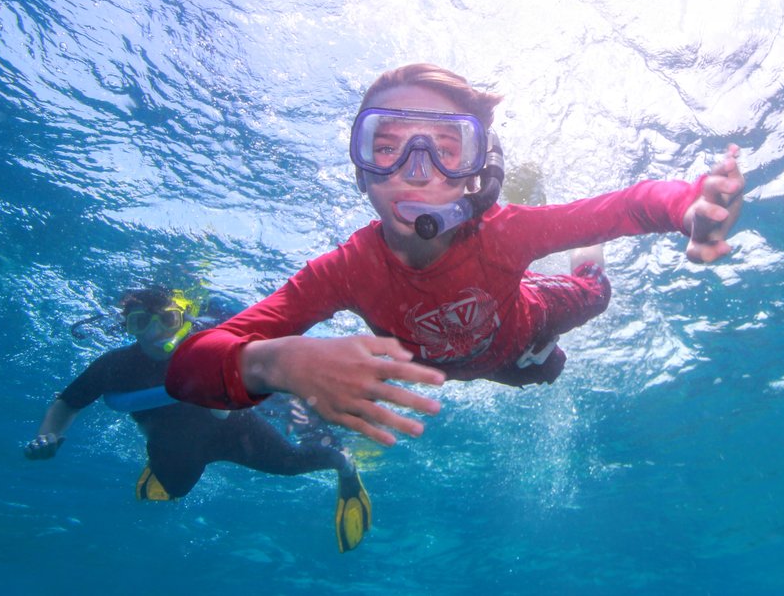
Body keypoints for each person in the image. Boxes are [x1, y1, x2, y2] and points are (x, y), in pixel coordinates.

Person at [165, 63, 745, 447]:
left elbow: (632, 205)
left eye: (446, 149)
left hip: (529, 325)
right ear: (361, 169)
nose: (417, 171)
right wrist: (274, 363)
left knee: (581, 319)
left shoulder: (504, 230)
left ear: (478, 170)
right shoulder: (345, 271)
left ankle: (583, 261)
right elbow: (186, 367)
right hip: (469, 365)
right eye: (387, 147)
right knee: (535, 374)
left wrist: (687, 208)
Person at [25, 286, 371, 553]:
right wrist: (49, 435)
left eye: (168, 320)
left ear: (185, 319)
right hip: (172, 444)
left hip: (234, 430)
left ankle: (344, 464)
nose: (156, 332)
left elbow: (249, 385)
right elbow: (68, 402)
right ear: (129, 329)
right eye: (142, 323)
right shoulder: (115, 366)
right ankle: (160, 467)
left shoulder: (211, 347)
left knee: (292, 463)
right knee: (175, 488)